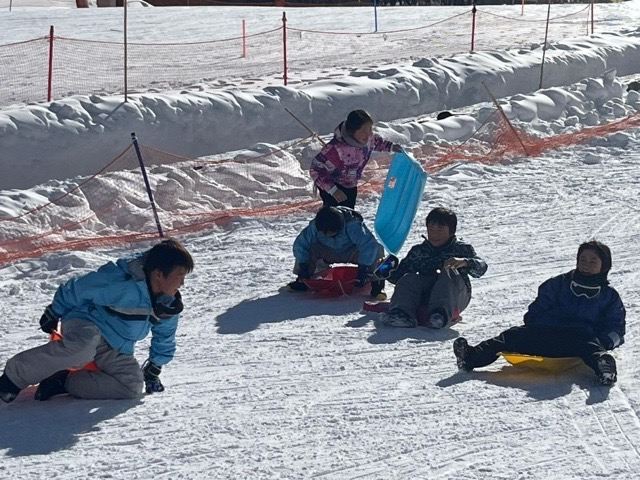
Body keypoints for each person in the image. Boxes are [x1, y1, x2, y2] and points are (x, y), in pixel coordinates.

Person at [0, 238, 194, 403]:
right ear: (159, 274)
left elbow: (165, 335)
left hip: (115, 345)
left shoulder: (167, 305)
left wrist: (155, 365)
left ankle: (63, 380)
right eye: (180, 277)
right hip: (86, 323)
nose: (182, 284)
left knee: (131, 386)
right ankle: (12, 378)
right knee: (84, 348)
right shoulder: (121, 281)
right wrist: (54, 311)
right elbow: (78, 288)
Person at [453, 240, 625, 386]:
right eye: (583, 259)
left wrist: (603, 342)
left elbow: (616, 326)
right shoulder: (558, 284)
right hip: (546, 334)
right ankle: (470, 357)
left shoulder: (608, 296)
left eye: (592, 261)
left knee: (591, 347)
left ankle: (604, 368)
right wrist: (538, 324)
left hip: (577, 341)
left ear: (604, 266)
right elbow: (536, 310)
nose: (586, 264)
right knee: (511, 336)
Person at [383, 207, 487, 328]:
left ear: (451, 231)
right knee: (409, 278)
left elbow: (481, 268)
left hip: (455, 296)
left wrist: (465, 262)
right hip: (425, 295)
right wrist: (384, 267)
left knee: (448, 272)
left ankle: (440, 315)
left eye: (440, 230)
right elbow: (398, 278)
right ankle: (401, 313)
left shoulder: (461, 249)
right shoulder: (419, 251)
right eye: (431, 229)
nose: (434, 234)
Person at [310, 109, 402, 209]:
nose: (369, 134)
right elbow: (315, 169)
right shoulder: (336, 149)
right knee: (334, 215)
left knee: (349, 210)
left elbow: (376, 142)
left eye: (370, 129)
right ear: (352, 131)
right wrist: (332, 190)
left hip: (350, 183)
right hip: (333, 185)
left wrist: (391, 147)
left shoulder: (368, 139)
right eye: (363, 131)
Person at [288, 206, 386, 299]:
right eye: (324, 233)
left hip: (351, 252)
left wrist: (364, 267)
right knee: (309, 249)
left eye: (331, 232)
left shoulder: (352, 224)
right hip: (328, 251)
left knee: (377, 250)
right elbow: (301, 244)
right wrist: (303, 264)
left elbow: (368, 244)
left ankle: (377, 285)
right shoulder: (315, 226)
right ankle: (302, 280)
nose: (327, 234)